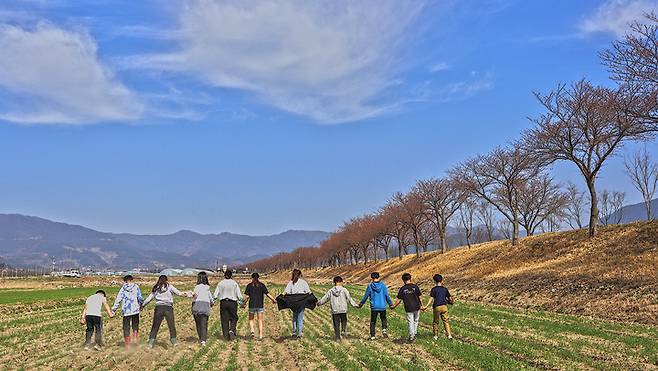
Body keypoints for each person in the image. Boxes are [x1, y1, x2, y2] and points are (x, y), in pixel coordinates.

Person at [142, 275, 191, 348]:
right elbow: (179, 293)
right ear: (166, 280)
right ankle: (174, 342)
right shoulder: (170, 287)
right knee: (171, 325)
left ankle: (151, 343)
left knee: (155, 326)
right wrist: (189, 294)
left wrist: (142, 305)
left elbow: (149, 298)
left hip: (159, 308)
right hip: (168, 308)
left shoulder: (156, 288)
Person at [317, 276, 358, 341]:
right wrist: (355, 305)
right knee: (344, 320)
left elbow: (325, 298)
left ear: (334, 282)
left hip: (335, 309)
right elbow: (349, 298)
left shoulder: (331, 291)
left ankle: (337, 337)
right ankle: (343, 330)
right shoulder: (344, 290)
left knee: (336, 324)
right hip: (343, 309)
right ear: (341, 282)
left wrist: (319, 303)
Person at [111, 275, 144, 348]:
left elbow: (118, 299)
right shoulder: (136, 287)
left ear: (125, 280)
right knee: (135, 324)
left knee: (126, 327)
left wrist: (114, 309)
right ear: (131, 279)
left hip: (126, 310)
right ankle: (135, 339)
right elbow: (140, 297)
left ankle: (128, 344)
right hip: (135, 309)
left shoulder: (123, 288)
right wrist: (141, 304)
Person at [241, 272, 276, 340]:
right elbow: (267, 294)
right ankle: (260, 335)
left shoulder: (249, 286)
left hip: (252, 305)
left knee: (251, 319)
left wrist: (244, 304)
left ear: (252, 278)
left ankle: (252, 331)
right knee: (260, 320)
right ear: (258, 277)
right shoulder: (262, 285)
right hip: (260, 305)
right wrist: (273, 300)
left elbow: (247, 297)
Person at [358, 272, 393, 340]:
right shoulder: (383, 285)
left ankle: (373, 336)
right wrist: (390, 304)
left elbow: (366, 296)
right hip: (382, 306)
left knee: (373, 321)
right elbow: (386, 295)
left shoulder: (370, 286)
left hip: (374, 307)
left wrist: (361, 304)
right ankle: (384, 329)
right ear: (378, 277)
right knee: (383, 318)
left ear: (371, 278)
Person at [390, 272, 422, 342]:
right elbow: (420, 297)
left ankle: (411, 337)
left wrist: (393, 306)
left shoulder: (403, 289)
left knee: (410, 321)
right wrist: (422, 305)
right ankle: (414, 333)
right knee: (416, 321)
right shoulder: (415, 287)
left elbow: (399, 300)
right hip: (417, 307)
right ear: (410, 278)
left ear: (403, 280)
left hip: (408, 307)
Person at [214, 269, 243, 341]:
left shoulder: (220, 283)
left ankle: (226, 337)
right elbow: (239, 294)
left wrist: (213, 301)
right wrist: (241, 302)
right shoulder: (234, 283)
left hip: (223, 303)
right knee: (234, 317)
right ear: (231, 276)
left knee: (224, 319)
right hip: (232, 302)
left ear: (224, 275)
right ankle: (232, 329)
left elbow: (215, 295)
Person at [422, 274, 453, 340]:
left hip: (437, 307)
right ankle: (449, 335)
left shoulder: (434, 289)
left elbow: (431, 299)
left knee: (436, 322)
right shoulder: (445, 289)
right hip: (444, 306)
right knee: (446, 321)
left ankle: (435, 336)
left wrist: (426, 306)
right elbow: (450, 298)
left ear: (435, 281)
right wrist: (451, 302)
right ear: (442, 280)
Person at [283, 269, 311, 339]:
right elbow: (308, 292)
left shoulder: (290, 283)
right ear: (300, 274)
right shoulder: (304, 282)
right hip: (301, 303)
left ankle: (294, 333)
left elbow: (286, 292)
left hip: (293, 303)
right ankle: (299, 334)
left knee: (295, 318)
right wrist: (313, 298)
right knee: (300, 318)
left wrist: (280, 297)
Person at [192, 271, 214, 346]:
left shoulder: (196, 287)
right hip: (205, 307)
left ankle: (200, 337)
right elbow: (211, 298)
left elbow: (195, 297)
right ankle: (203, 340)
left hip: (197, 306)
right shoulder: (207, 288)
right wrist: (212, 303)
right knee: (204, 324)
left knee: (198, 324)